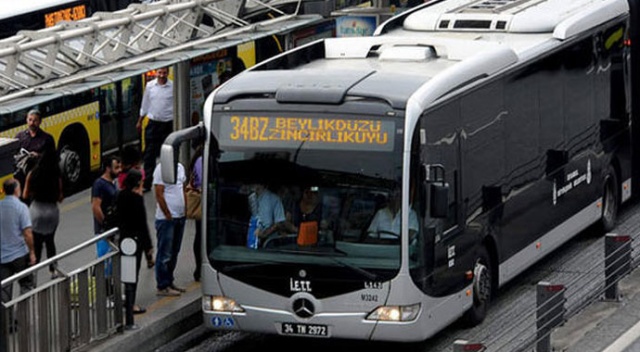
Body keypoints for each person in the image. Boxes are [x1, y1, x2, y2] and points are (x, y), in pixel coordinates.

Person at [117, 169, 154, 330]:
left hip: (124, 240)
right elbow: (142, 224)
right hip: (136, 243)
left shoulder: (120, 196)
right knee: (133, 275)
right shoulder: (137, 200)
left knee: (127, 274)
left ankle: (128, 303)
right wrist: (149, 248)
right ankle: (131, 309)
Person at [22, 150, 64, 279]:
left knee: (37, 243)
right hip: (52, 212)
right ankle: (53, 269)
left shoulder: (33, 174)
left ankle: (34, 271)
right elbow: (60, 197)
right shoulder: (57, 176)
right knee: (50, 241)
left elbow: (25, 195)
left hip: (36, 211)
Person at [0, 178, 35, 332]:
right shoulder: (21, 208)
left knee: (4, 292)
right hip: (20, 255)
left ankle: (7, 324)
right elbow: (27, 233)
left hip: (2, 257)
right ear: (16, 190)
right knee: (26, 285)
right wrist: (32, 252)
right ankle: (20, 317)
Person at [153, 161, 187, 296]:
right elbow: (159, 193)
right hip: (166, 219)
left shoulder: (180, 167)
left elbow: (182, 188)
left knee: (174, 251)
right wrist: (167, 214)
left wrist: (185, 209)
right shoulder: (161, 169)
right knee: (165, 253)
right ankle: (162, 285)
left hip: (180, 216)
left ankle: (169, 280)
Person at [137, 67, 174, 192]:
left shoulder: (173, 87)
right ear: (156, 73)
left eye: (164, 73)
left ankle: (168, 181)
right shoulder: (150, 86)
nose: (162, 75)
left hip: (168, 125)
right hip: (153, 125)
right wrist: (140, 121)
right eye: (160, 72)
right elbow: (145, 104)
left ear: (168, 73)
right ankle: (147, 183)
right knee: (149, 155)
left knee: (168, 154)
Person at [13, 109, 56, 193]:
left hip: (39, 177)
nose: (32, 123)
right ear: (26, 120)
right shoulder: (20, 137)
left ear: (40, 122)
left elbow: (53, 159)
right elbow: (14, 154)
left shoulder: (47, 139)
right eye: (30, 120)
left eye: (35, 120)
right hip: (22, 176)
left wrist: (38, 156)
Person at [92, 156, 122, 254]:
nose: (119, 170)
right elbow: (95, 207)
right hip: (103, 232)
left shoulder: (114, 183)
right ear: (108, 168)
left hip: (113, 230)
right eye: (116, 168)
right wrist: (105, 225)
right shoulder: (99, 184)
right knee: (104, 261)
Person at [189, 145, 204, 282]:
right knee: (200, 235)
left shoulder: (200, 158)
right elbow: (202, 179)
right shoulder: (200, 160)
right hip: (202, 201)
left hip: (205, 200)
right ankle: (199, 268)